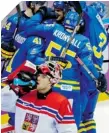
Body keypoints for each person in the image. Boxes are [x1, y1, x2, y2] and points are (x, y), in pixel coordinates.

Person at [19, 10, 107, 129]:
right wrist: (98, 79)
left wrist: (41, 13)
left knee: (42, 121)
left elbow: (29, 27)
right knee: (70, 125)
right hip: (70, 90)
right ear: (80, 25)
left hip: (49, 85)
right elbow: (87, 66)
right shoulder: (83, 41)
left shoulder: (54, 28)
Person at [1, 60, 78, 133]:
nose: (38, 78)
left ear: (52, 81)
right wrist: (14, 87)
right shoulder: (24, 95)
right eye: (38, 75)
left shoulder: (60, 102)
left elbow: (68, 130)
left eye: (43, 76)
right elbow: (2, 104)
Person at [68, 2, 108, 133]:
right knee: (88, 118)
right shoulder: (103, 31)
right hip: (97, 76)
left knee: (76, 120)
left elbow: (80, 4)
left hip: (85, 72)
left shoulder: (91, 14)